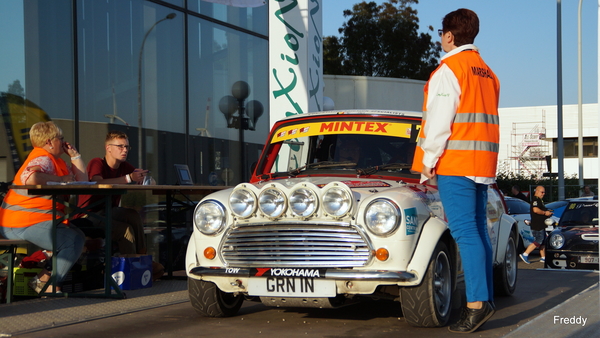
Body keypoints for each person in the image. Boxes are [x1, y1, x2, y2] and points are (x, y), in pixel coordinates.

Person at [411, 9, 499, 333]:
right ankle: (484, 298)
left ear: (449, 35)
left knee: (465, 233)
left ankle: (476, 306)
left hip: (456, 164)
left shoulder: (448, 70)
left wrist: (427, 164)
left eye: (441, 34)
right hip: (481, 164)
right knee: (478, 231)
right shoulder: (488, 73)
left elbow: (437, 124)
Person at [0, 121, 87, 293]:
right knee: (73, 241)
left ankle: (43, 281)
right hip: (18, 223)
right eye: (60, 138)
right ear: (49, 142)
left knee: (78, 236)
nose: (63, 142)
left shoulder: (55, 161)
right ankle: (48, 285)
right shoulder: (43, 159)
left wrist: (75, 156)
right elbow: (29, 178)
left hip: (29, 221)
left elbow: (82, 179)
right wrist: (62, 181)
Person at [78, 131, 148, 255]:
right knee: (125, 230)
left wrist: (145, 178)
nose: (124, 150)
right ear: (108, 148)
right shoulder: (97, 162)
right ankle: (131, 267)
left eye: (126, 146)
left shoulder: (123, 166)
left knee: (133, 215)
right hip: (88, 215)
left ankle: (142, 257)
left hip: (109, 211)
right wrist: (129, 178)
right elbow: (98, 182)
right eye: (120, 146)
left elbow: (140, 176)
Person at [520, 186, 552, 265]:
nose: (543, 194)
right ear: (537, 191)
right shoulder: (536, 200)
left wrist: (548, 212)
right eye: (542, 192)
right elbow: (535, 210)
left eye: (544, 192)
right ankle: (525, 254)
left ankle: (543, 257)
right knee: (538, 240)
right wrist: (545, 213)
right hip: (537, 225)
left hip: (541, 224)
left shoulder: (539, 200)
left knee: (543, 241)